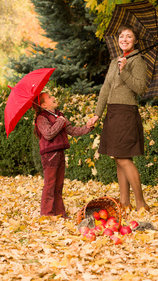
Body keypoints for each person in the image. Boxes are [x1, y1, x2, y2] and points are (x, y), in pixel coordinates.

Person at [87, 24, 149, 212]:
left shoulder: (138, 61)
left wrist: (125, 71)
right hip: (113, 113)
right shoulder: (115, 61)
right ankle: (125, 202)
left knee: (124, 158)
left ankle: (141, 203)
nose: (124, 39)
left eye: (129, 36)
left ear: (135, 41)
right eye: (122, 36)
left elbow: (140, 88)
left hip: (126, 113)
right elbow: (105, 88)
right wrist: (97, 114)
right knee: (118, 157)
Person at [33, 92, 92, 218]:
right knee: (50, 184)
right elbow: (48, 134)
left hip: (60, 153)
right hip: (49, 155)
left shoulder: (59, 115)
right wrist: (60, 122)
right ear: (43, 105)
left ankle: (60, 213)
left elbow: (71, 130)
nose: (53, 97)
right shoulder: (42, 118)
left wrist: (87, 127)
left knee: (59, 184)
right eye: (49, 97)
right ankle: (47, 214)